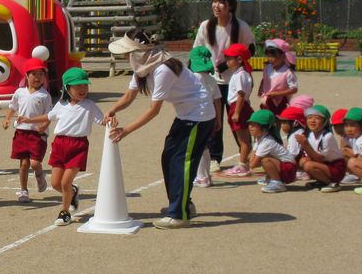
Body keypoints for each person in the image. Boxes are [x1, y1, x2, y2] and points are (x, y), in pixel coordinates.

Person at [107, 50, 216, 229]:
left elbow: (153, 110)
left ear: (138, 53)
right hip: (186, 115)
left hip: (198, 115)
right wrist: (112, 110)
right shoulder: (142, 70)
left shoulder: (163, 69)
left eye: (128, 54)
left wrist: (125, 130)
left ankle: (179, 214)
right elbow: (128, 97)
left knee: (181, 162)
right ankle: (182, 205)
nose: (126, 58)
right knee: (168, 158)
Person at [25, 67, 102, 226]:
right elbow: (48, 116)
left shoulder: (90, 105)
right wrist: (28, 120)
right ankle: (73, 192)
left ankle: (64, 212)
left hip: (78, 146)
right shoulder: (61, 105)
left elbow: (102, 120)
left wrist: (111, 121)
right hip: (60, 144)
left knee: (65, 182)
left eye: (85, 85)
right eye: (78, 86)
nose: (83, 89)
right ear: (67, 88)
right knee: (55, 184)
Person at [192, 0, 255, 170]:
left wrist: (228, 65)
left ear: (231, 7)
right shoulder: (206, 26)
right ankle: (215, 158)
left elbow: (251, 49)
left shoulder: (240, 26)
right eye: (214, 2)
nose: (217, 6)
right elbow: (196, 52)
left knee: (238, 119)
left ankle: (245, 155)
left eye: (221, 2)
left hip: (235, 81)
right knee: (214, 119)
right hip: (212, 81)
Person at [1, 57, 52, 202]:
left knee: (35, 163)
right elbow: (13, 107)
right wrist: (6, 119)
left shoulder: (45, 95)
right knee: (23, 164)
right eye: (34, 74)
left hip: (37, 134)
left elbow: (49, 115)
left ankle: (39, 174)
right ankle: (23, 190)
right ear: (27, 75)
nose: (38, 77)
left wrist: (45, 126)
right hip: (21, 132)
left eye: (41, 74)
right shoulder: (19, 92)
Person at [187, 45, 223, 188]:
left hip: (196, 117)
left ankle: (202, 177)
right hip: (210, 116)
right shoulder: (211, 79)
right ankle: (206, 176)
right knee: (205, 146)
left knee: (197, 147)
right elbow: (217, 100)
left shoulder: (192, 78)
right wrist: (218, 119)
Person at [220, 43, 254, 177]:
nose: (227, 61)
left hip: (238, 106)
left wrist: (237, 112)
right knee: (243, 139)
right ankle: (244, 162)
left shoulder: (240, 75)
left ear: (239, 59)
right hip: (239, 105)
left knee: (243, 140)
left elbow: (241, 94)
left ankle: (242, 165)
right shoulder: (241, 73)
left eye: (229, 58)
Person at [297, 104, 347, 192]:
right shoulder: (310, 135)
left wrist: (305, 145)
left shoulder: (327, 136)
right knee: (303, 162)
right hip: (324, 165)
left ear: (325, 121)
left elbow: (320, 159)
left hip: (336, 167)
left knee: (308, 165)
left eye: (317, 118)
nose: (312, 121)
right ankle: (322, 181)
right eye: (309, 117)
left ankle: (332, 183)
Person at [246, 109, 296, 193]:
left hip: (289, 170)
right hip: (284, 166)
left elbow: (252, 164)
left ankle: (277, 182)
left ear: (265, 127)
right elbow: (250, 156)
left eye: (254, 125)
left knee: (265, 160)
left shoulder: (267, 141)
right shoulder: (260, 138)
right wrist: (252, 159)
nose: (250, 127)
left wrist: (252, 161)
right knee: (263, 158)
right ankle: (271, 178)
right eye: (250, 124)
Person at [258, 38, 299, 115]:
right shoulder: (268, 67)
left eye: (273, 57)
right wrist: (260, 88)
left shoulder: (288, 72)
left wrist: (277, 94)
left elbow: (294, 89)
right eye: (268, 56)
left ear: (283, 56)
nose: (270, 59)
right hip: (267, 100)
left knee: (279, 119)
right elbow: (264, 79)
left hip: (281, 102)